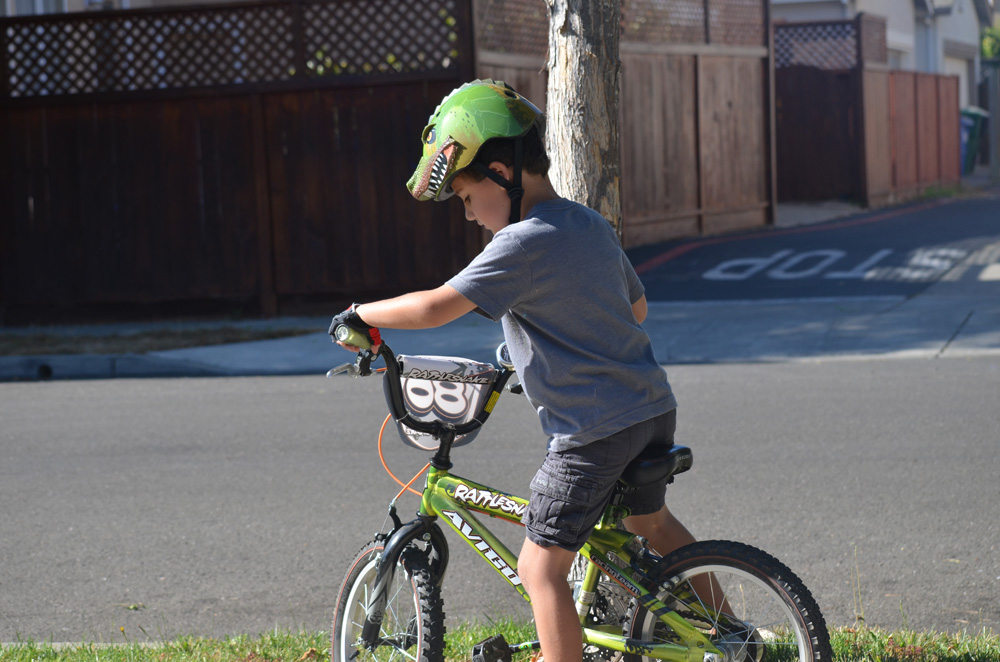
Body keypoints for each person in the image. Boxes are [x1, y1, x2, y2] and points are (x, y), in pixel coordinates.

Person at [329, 79, 701, 662]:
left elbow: (435, 307)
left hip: (592, 432)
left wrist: (359, 313)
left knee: (539, 566)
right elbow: (635, 309)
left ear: (501, 172)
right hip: (651, 409)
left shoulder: (520, 243)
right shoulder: (587, 222)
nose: (469, 214)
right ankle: (733, 634)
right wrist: (543, 348)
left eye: (467, 196)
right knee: (651, 523)